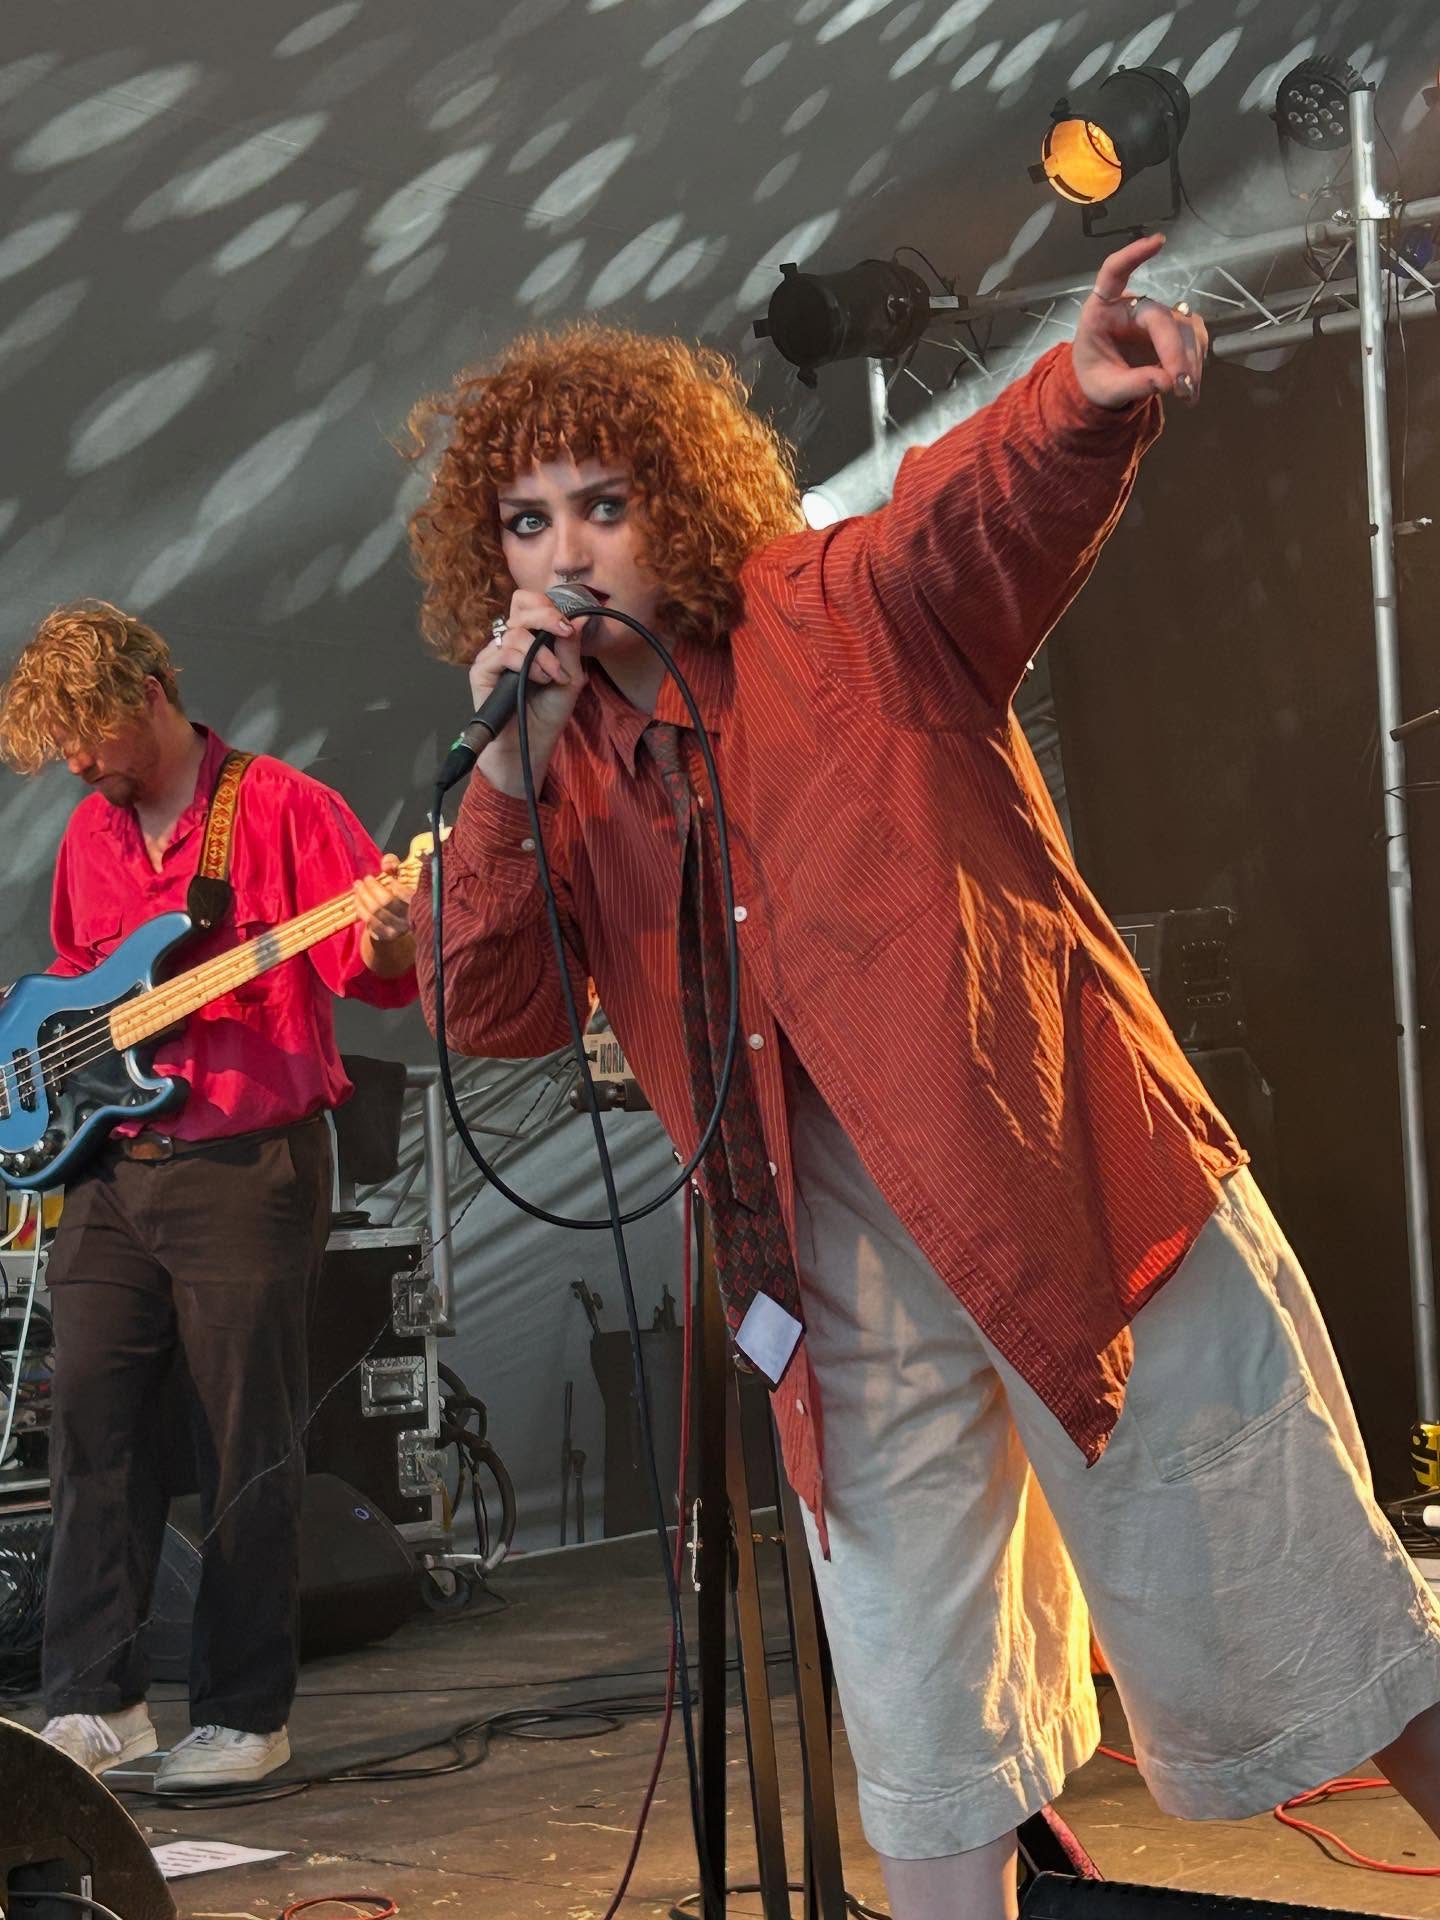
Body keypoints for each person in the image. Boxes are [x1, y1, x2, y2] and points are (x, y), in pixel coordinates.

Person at [404, 233, 1440, 1919]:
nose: (567, 551)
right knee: (921, 1713)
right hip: (835, 1296)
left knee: (1317, 1613)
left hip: (1081, 1212)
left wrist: (1080, 402)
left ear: (675, 503)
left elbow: (975, 514)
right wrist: (510, 780)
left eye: (601, 503)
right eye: (529, 523)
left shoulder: (835, 610)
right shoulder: (560, 773)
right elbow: (489, 1003)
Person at [0, 601, 417, 1791]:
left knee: (245, 1439)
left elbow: (374, 977)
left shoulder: (284, 807)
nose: (76, 764)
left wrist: (390, 933)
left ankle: (244, 1714)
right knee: (92, 1424)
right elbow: (77, 984)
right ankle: (95, 1702)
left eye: (86, 733)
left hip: (247, 1160)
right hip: (113, 1167)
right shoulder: (93, 832)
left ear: (144, 696)